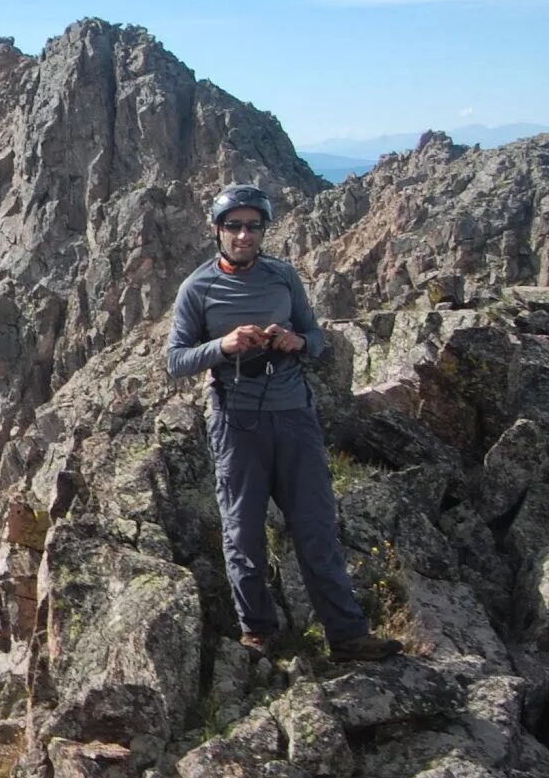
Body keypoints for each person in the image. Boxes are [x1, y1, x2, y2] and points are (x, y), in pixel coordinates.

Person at [167, 184, 401, 662]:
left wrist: (297, 341)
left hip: (295, 416)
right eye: (234, 225)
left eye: (253, 226)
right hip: (237, 423)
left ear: (264, 231)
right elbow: (175, 360)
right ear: (218, 230)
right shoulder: (198, 288)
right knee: (243, 533)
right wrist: (225, 346)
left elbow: (317, 337)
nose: (244, 234)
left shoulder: (283, 277)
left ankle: (348, 635)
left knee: (316, 527)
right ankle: (260, 636)